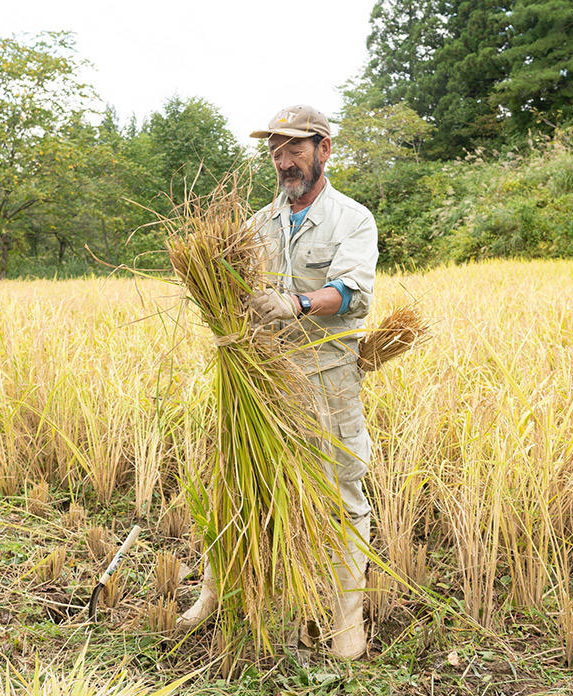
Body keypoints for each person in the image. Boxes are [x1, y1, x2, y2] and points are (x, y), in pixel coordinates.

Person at [177, 105, 378, 660]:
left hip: (328, 374)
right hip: (260, 377)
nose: (283, 161)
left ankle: (346, 620)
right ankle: (215, 593)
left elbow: (353, 292)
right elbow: (231, 287)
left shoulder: (352, 219)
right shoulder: (257, 226)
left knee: (342, 492)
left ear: (324, 150)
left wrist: (294, 304)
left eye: (294, 148)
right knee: (235, 480)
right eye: (275, 151)